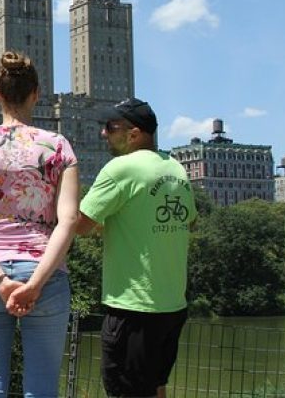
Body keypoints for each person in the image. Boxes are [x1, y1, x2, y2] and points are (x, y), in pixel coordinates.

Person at [0, 51, 80, 398]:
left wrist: (1, 281)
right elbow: (67, 220)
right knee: (41, 389)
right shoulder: (57, 146)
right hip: (46, 273)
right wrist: (35, 284)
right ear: (36, 93)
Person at [77, 98, 197, 398]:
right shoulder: (176, 169)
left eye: (110, 127)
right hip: (172, 306)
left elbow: (80, 224)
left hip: (133, 307)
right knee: (156, 388)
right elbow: (190, 223)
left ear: (134, 134)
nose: (104, 133)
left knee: (125, 391)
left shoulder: (121, 168)